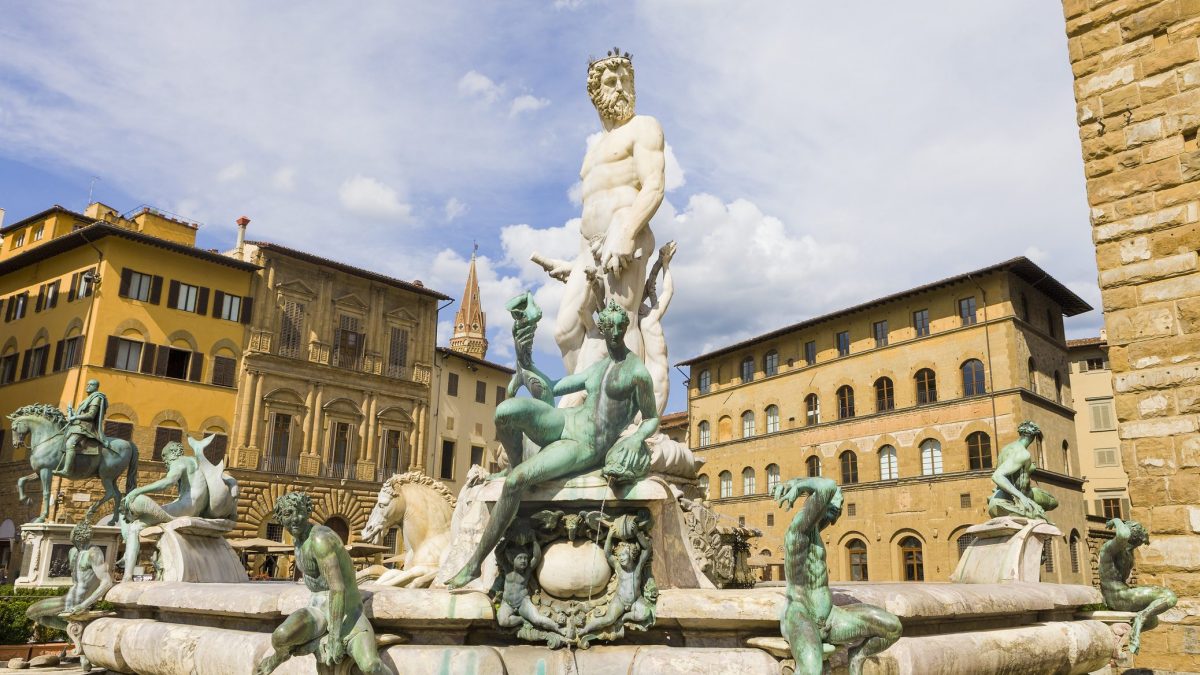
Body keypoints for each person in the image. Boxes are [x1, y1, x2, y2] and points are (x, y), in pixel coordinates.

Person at [447, 301, 658, 589]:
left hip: (584, 444)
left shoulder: (637, 373)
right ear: (604, 328)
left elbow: (651, 419)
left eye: (619, 328)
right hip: (565, 420)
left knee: (516, 483)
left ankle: (474, 564)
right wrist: (526, 360)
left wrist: (635, 438)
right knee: (505, 412)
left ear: (625, 329)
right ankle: (514, 465)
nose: (614, 334)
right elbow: (552, 388)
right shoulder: (599, 368)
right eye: (608, 328)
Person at [535, 49, 666, 401]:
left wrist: (626, 231)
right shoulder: (592, 151)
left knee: (620, 322)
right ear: (596, 93)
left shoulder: (644, 127)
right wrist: (576, 262)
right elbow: (590, 209)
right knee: (565, 330)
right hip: (588, 248)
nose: (621, 87)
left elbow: (654, 187)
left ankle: (627, 413)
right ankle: (591, 402)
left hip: (627, 232)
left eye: (626, 80)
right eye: (612, 81)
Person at [774, 477, 901, 675]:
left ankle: (856, 658)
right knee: (812, 670)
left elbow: (827, 495)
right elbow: (827, 486)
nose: (840, 504)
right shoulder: (797, 533)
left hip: (831, 618)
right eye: (836, 501)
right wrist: (797, 484)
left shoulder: (815, 533)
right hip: (800, 616)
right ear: (818, 504)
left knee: (892, 628)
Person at [254, 492, 391, 675]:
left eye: (299, 512)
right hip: (317, 610)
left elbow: (337, 588)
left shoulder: (320, 539)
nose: (295, 518)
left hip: (347, 613)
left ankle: (314, 643)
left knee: (372, 667)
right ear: (280, 519)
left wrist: (334, 638)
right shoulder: (298, 541)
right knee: (280, 636)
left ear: (308, 511)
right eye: (288, 514)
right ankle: (278, 657)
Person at [119, 436, 238, 580]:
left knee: (134, 523)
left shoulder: (180, 461)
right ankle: (128, 560)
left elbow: (167, 482)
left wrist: (137, 491)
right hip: (193, 508)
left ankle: (127, 573)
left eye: (165, 457)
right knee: (136, 522)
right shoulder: (194, 463)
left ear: (173, 453)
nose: (165, 462)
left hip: (186, 508)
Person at [1099, 518, 1177, 654]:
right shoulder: (1110, 548)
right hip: (1117, 596)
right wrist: (1117, 520)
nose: (1138, 546)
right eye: (1138, 542)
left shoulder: (1128, 552)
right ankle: (1140, 618)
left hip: (1123, 593)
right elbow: (1122, 535)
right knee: (1169, 597)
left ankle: (1121, 639)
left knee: (1153, 621)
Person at [26, 519, 113, 632]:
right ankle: (76, 631)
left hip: (79, 602)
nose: (72, 539)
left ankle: (77, 631)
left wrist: (84, 605)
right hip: (67, 599)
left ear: (80, 538)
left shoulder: (94, 552)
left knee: (32, 612)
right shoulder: (73, 552)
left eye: (75, 538)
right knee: (32, 613)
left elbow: (107, 582)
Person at [988, 420, 1059, 520]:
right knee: (1052, 502)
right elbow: (997, 476)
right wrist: (1021, 497)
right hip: (1012, 497)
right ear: (1033, 437)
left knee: (1048, 500)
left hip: (1001, 496)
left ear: (1020, 433)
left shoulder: (1006, 449)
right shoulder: (1022, 453)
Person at [54, 379, 109, 477]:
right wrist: (71, 412)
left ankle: (67, 470)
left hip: (85, 427)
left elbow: (91, 415)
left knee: (70, 443)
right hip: (77, 425)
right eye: (87, 384)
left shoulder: (97, 398)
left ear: (96, 387)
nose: (87, 386)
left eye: (90, 385)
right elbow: (79, 414)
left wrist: (75, 417)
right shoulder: (86, 399)